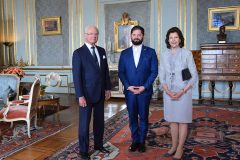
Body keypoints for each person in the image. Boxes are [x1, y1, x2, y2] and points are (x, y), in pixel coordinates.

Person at [72, 25, 111, 160]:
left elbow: (105, 72)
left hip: (100, 93)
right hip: (86, 95)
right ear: (85, 35)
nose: (94, 36)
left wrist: (108, 88)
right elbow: (76, 77)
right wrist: (80, 95)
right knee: (84, 124)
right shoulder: (78, 53)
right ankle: (83, 151)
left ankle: (98, 145)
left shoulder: (101, 51)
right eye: (91, 34)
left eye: (96, 34)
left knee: (99, 122)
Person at [159, 27, 198, 160]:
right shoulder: (164, 55)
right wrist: (167, 91)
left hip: (184, 92)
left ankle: (180, 148)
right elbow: (162, 75)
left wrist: (182, 91)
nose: (173, 40)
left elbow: (193, 76)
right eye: (171, 38)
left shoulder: (187, 54)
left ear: (180, 39)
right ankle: (173, 146)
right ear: (168, 40)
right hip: (169, 93)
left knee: (182, 121)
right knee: (172, 121)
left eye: (176, 37)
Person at [118, 25, 158, 153]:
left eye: (139, 35)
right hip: (130, 91)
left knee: (144, 117)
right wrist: (128, 86)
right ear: (131, 36)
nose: (136, 37)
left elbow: (154, 72)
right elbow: (121, 72)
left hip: (144, 91)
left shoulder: (150, 52)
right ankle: (135, 140)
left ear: (143, 36)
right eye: (134, 35)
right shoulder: (124, 53)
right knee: (132, 117)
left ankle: (142, 142)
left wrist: (144, 87)